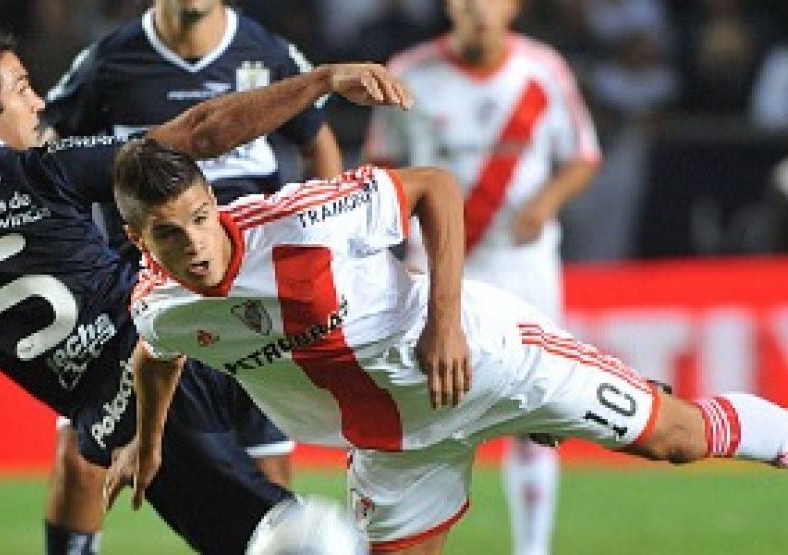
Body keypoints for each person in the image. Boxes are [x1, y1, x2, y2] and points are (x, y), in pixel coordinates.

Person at [0, 31, 413, 554]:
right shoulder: (47, 168)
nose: (37, 102)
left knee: (294, 535)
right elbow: (197, 135)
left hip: (140, 395)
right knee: (291, 523)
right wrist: (319, 82)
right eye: (20, 90)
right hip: (184, 353)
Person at [109, 139, 788, 555]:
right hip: (396, 447)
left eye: (201, 216)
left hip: (486, 360)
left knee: (673, 437)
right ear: (141, 240)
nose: (195, 242)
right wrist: (148, 439)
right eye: (169, 233)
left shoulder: (302, 217)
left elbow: (434, 185)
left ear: (212, 201)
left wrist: (444, 322)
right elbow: (154, 357)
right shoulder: (161, 306)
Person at [38, 1, 345, 547]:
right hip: (139, 291)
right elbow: (45, 157)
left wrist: (324, 244)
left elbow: (316, 141)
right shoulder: (107, 64)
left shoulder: (267, 54)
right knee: (82, 452)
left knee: (263, 472)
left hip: (249, 293)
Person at [364, 1, 601, 552]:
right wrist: (393, 253)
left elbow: (584, 155)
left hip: (523, 262)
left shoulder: (543, 69)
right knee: (428, 409)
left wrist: (545, 202)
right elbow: (381, 166)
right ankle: (412, 537)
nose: (479, 10)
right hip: (438, 267)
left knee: (537, 404)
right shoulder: (410, 71)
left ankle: (533, 547)